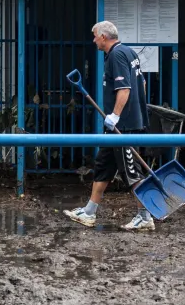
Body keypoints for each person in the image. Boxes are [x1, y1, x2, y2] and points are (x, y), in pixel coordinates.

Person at [64, 21, 154, 231]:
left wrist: (115, 115)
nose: (93, 40)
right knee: (103, 167)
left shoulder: (116, 55)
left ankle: (145, 216)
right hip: (117, 127)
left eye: (95, 36)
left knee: (132, 173)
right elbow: (142, 83)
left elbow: (125, 88)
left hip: (124, 127)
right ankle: (89, 212)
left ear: (103, 36)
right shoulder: (129, 52)